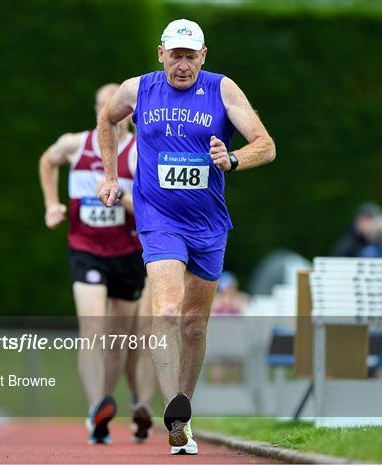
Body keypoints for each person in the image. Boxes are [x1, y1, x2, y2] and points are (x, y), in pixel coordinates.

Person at [97, 19, 275, 455]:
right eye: (175, 55)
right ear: (161, 54)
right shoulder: (138, 89)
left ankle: (184, 409)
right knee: (169, 310)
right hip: (158, 219)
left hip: (209, 224)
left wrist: (231, 159)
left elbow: (266, 145)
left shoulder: (221, 89)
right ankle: (173, 418)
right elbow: (107, 120)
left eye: (189, 56)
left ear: (203, 56)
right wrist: (110, 176)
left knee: (195, 325)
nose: (182, 65)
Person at [38, 83, 156, 444]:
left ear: (129, 113)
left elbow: (153, 210)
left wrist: (120, 198)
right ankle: (97, 407)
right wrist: (52, 204)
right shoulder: (77, 145)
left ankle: (116, 403)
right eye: (102, 106)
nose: (109, 113)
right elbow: (47, 160)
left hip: (127, 254)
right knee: (92, 329)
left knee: (118, 340)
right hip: (85, 249)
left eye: (115, 107)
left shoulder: (140, 154)